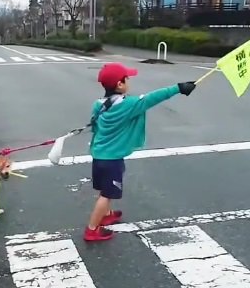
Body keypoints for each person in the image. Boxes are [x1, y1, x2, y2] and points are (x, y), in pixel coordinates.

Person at [84, 62, 196, 242]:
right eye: (127, 78)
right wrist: (178, 88)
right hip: (112, 159)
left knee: (104, 189)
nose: (129, 80)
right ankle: (92, 229)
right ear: (120, 84)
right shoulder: (129, 104)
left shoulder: (99, 105)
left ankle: (106, 215)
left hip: (98, 155)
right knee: (107, 194)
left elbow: (95, 127)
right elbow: (153, 98)